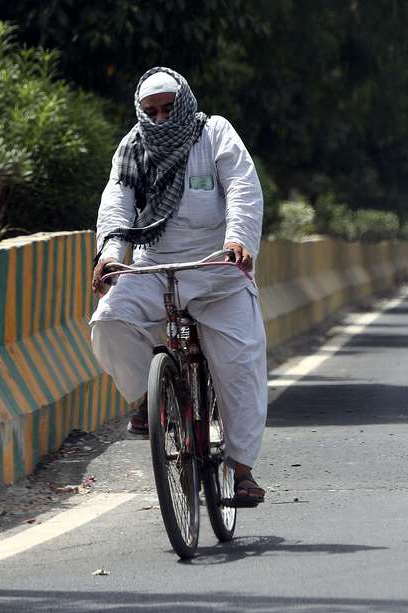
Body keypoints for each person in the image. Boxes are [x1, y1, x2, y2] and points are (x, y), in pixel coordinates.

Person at [89, 66, 268, 506]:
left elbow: (243, 186)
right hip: (155, 267)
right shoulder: (133, 147)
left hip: (217, 269)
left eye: (169, 108)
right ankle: (149, 400)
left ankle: (242, 470)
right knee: (109, 320)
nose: (161, 118)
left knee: (239, 364)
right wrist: (110, 256)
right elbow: (117, 200)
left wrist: (239, 241)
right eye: (151, 111)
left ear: (184, 102)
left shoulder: (214, 134)